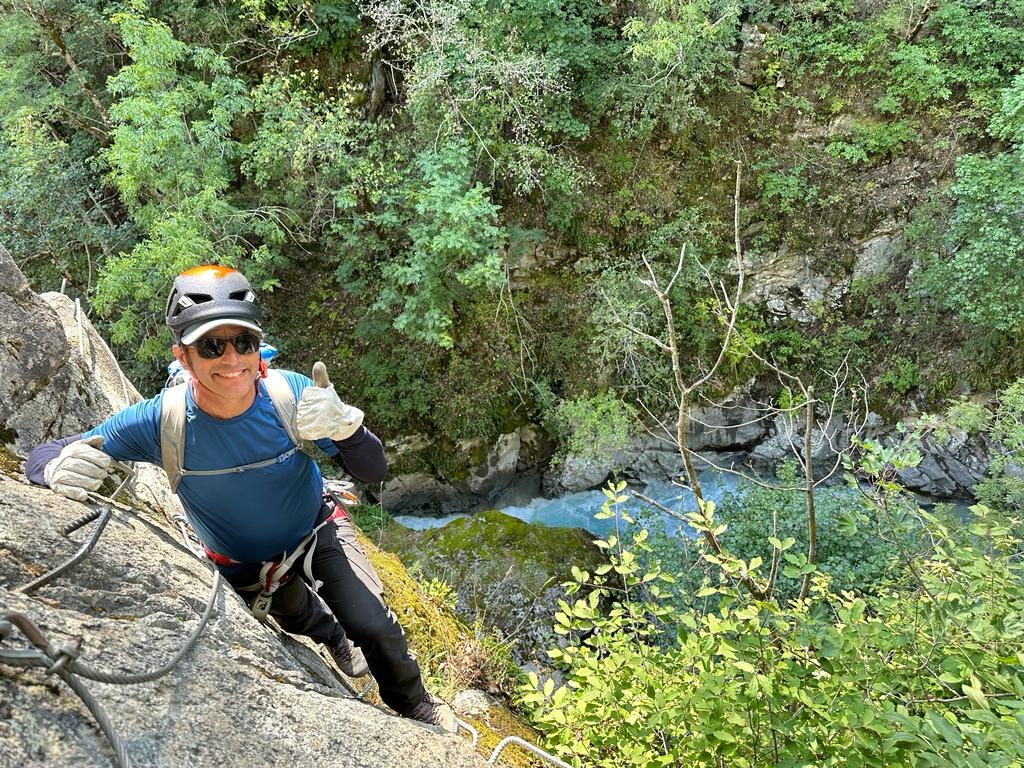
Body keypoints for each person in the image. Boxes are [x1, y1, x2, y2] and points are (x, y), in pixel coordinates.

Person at [24, 264, 456, 732]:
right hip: (241, 564)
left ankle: (415, 707)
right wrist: (53, 468)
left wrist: (349, 432)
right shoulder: (161, 420)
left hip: (315, 528)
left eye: (243, 342)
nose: (231, 358)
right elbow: (47, 452)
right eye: (211, 345)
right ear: (183, 357)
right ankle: (331, 635)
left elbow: (373, 471)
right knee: (295, 614)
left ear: (257, 346)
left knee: (373, 625)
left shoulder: (289, 393)